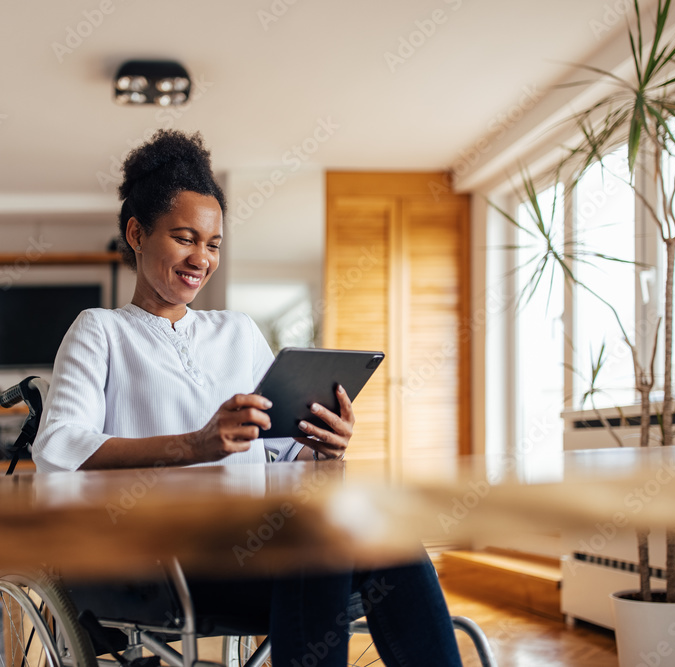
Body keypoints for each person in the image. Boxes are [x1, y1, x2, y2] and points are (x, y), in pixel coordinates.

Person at [32, 130, 463, 667]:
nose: (201, 258)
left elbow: (283, 455)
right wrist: (196, 444)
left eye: (212, 244)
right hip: (160, 566)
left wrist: (324, 449)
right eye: (185, 238)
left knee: (392, 543)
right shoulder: (100, 331)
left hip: (260, 550)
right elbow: (59, 447)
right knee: (319, 548)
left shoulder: (237, 332)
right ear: (137, 233)